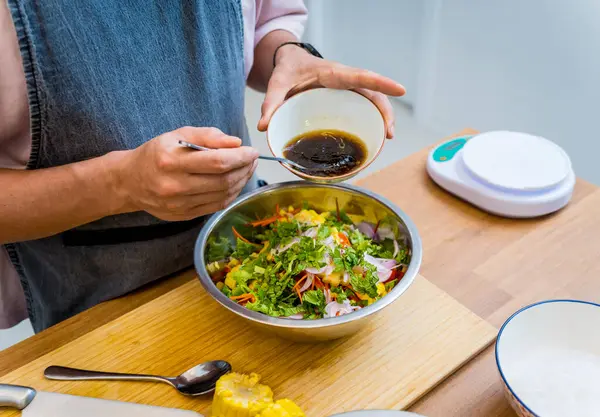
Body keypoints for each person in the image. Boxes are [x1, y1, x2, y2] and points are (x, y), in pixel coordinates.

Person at [0, 0, 406, 333]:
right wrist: (118, 185)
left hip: (246, 245)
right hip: (100, 308)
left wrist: (289, 57)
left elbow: (266, 24)